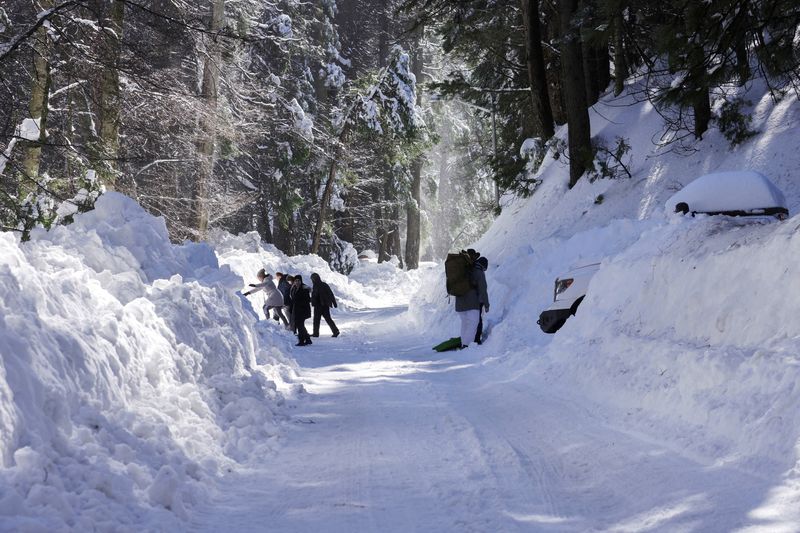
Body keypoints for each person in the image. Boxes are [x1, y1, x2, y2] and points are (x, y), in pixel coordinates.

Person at [455, 254, 489, 348]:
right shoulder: (479, 272)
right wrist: (486, 304)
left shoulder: (465, 269)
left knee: (465, 323)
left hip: (459, 302)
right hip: (472, 304)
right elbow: (483, 290)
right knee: (473, 323)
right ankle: (467, 345)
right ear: (483, 266)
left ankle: (464, 343)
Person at [310, 273, 340, 338]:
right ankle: (335, 331)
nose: (312, 280)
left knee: (317, 320)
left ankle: (316, 333)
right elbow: (330, 293)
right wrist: (334, 303)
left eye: (312, 279)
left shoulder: (316, 285)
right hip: (324, 305)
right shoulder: (324, 284)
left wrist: (312, 300)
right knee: (327, 319)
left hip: (319, 306)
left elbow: (315, 296)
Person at [289, 275, 312, 346]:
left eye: (298, 281)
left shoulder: (304, 289)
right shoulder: (294, 288)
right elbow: (293, 299)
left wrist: (300, 302)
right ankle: (308, 339)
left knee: (300, 326)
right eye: (296, 281)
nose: (297, 282)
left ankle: (301, 341)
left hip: (303, 310)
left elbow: (308, 300)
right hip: (296, 310)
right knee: (300, 325)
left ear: (301, 281)